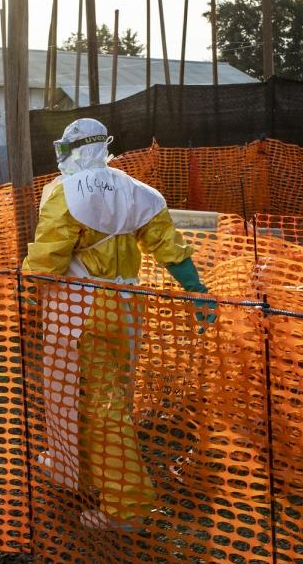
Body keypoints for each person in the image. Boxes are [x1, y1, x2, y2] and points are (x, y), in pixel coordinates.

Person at [22, 118, 212, 530]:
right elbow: (170, 247)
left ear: (70, 151)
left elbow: (47, 260)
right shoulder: (139, 192)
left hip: (76, 311)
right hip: (125, 309)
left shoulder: (63, 193)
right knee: (106, 401)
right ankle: (76, 472)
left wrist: (24, 294)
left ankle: (126, 506)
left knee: (81, 399)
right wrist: (196, 290)